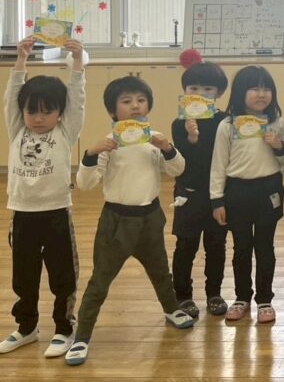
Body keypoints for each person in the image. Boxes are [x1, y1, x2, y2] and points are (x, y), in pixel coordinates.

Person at [68, 76, 192, 366]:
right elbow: (85, 184)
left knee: (160, 270)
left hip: (150, 218)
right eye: (126, 101)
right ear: (112, 111)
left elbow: (177, 170)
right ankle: (82, 335)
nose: (135, 105)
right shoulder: (109, 143)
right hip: (116, 222)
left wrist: (167, 148)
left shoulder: (154, 138)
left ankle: (171, 308)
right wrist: (91, 154)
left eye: (140, 100)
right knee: (100, 281)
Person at [0, 37, 85, 358]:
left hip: (56, 212)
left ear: (60, 113)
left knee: (63, 275)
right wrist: (21, 59)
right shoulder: (17, 130)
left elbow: (77, 99)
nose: (38, 118)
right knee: (24, 276)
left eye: (48, 111)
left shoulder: (65, 132)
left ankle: (64, 328)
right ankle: (26, 327)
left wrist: (78, 63)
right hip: (22, 213)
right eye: (32, 111)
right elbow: (11, 96)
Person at [210, 66, 284, 324]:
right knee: (242, 248)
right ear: (240, 92)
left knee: (265, 247)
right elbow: (218, 165)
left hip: (269, 190)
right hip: (238, 192)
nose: (261, 94)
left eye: (266, 88)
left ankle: (265, 299)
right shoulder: (227, 125)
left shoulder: (277, 123)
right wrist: (217, 200)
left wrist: (279, 146)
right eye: (254, 88)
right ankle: (242, 297)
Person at [170, 50, 230, 320]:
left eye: (208, 89)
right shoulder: (179, 123)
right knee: (186, 246)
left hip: (218, 195)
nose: (200, 93)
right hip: (189, 194)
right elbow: (181, 162)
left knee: (216, 246)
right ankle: (182, 295)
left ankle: (214, 293)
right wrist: (191, 139)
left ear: (218, 93)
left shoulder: (224, 121)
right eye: (193, 88)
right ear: (185, 91)